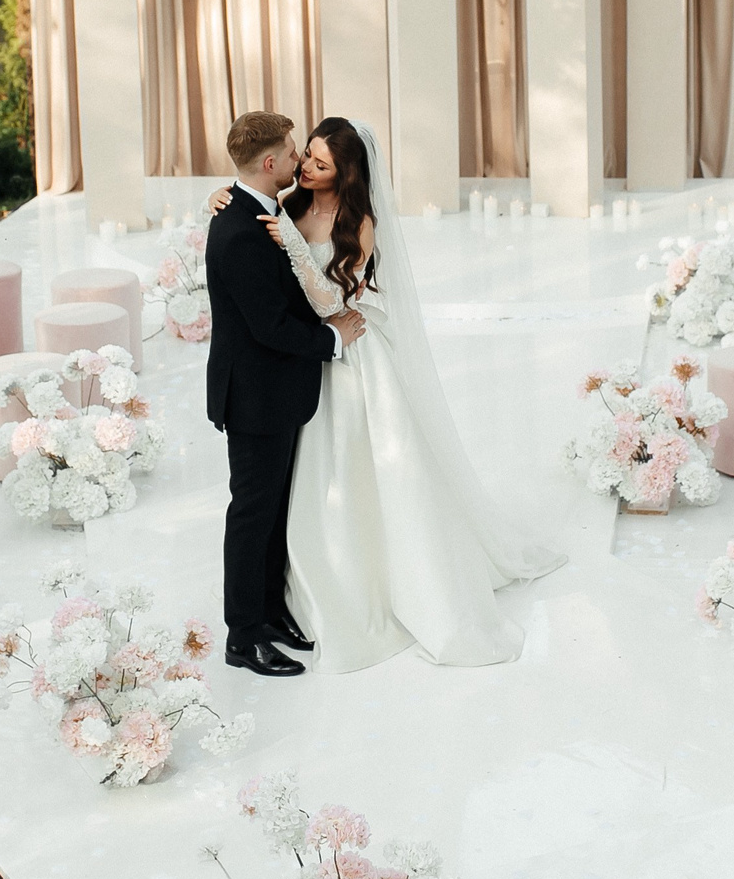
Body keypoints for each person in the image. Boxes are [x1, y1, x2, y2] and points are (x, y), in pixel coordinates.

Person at [213, 115, 564, 670]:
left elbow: (334, 301)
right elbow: (255, 238)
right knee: (283, 493)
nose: (306, 166)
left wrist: (300, 259)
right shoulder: (286, 206)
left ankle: (361, 583)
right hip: (305, 358)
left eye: (321, 164)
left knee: (363, 468)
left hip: (345, 350)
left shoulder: (360, 222)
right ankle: (265, 612)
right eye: (304, 155)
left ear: (345, 173)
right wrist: (228, 196)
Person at [206, 111, 366, 678]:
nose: (301, 160)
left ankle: (270, 613)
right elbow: (269, 326)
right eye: (295, 152)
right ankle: (242, 637)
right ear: (269, 163)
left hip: (276, 394)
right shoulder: (239, 229)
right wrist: (333, 337)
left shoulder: (261, 207)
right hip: (254, 397)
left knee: (272, 511)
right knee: (251, 516)